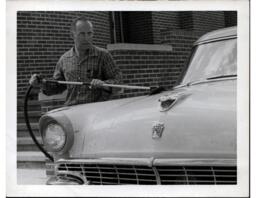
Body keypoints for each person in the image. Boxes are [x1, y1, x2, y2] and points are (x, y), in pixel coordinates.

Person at [29, 16, 122, 106]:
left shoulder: (103, 55)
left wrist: (104, 84)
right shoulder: (64, 59)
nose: (86, 38)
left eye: (89, 33)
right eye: (82, 34)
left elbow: (119, 82)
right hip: (72, 110)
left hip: (96, 110)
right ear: (72, 35)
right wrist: (41, 83)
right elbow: (57, 87)